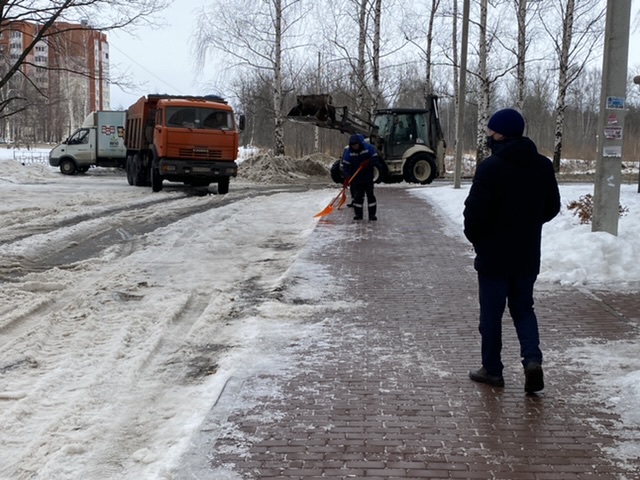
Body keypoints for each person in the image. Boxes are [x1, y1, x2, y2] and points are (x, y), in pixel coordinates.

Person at [463, 108, 560, 394]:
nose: (488, 135)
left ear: (500, 133)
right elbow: (552, 207)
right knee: (523, 309)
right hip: (527, 253)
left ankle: (492, 370)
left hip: (494, 255)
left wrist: (477, 238)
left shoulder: (491, 167)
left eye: (491, 131)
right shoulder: (542, 165)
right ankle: (532, 360)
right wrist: (528, 223)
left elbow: (475, 212)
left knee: (491, 315)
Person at [341, 133, 379, 221]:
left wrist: (368, 162)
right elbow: (345, 166)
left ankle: (372, 215)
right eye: (353, 145)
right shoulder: (349, 152)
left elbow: (376, 158)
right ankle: (358, 214)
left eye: (356, 145)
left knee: (370, 195)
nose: (355, 147)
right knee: (358, 197)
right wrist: (347, 177)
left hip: (368, 176)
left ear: (359, 143)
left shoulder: (367, 148)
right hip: (356, 178)